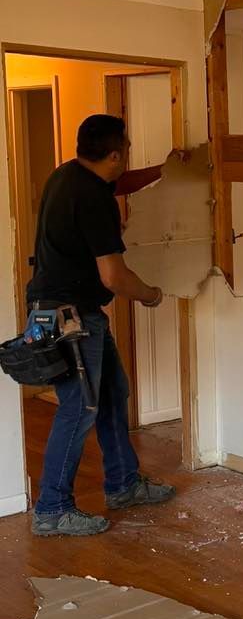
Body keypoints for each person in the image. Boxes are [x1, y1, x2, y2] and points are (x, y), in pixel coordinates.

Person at [26, 113, 176, 537]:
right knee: (79, 407)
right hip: (68, 317)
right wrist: (150, 293)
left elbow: (120, 182)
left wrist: (165, 172)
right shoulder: (93, 200)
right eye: (125, 149)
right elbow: (113, 276)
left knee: (112, 392)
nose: (127, 154)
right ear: (114, 153)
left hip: (58, 310)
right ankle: (51, 509)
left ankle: (124, 484)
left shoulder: (69, 175)